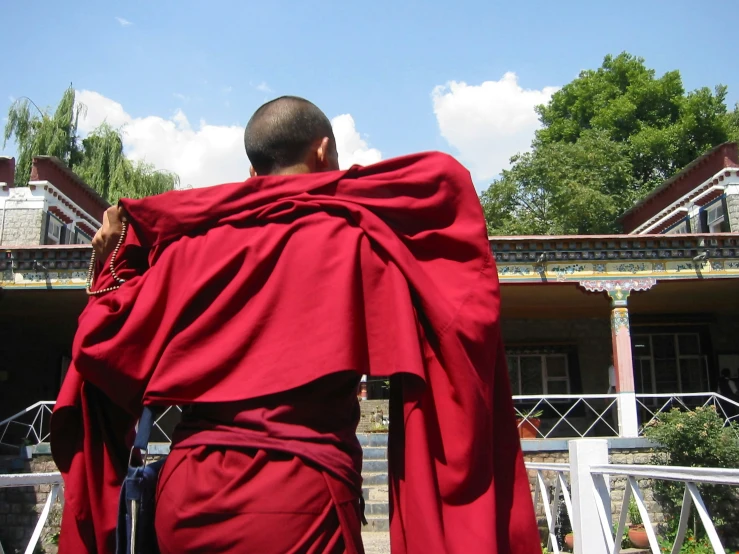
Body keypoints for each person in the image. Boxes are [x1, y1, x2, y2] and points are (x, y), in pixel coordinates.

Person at [52, 96, 540, 553]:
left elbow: (101, 349)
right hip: (301, 495)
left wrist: (107, 269)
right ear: (323, 150)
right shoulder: (359, 241)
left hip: (187, 499)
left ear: (252, 170)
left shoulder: (183, 254)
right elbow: (456, 320)